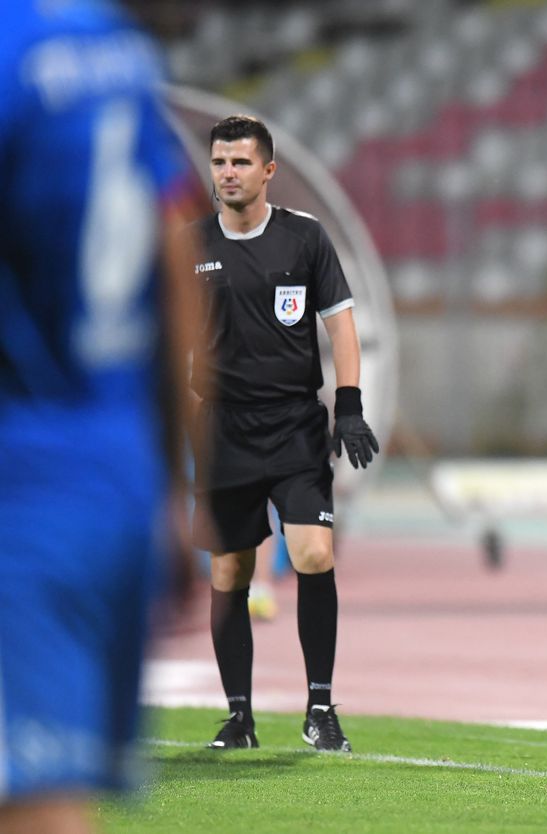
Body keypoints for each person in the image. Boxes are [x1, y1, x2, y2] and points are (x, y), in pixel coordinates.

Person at [0, 2, 201, 831]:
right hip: (110, 471)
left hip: (23, 480)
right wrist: (178, 486)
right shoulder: (118, 55)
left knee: (33, 804)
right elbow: (175, 248)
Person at [192, 115, 379, 753]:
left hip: (295, 425)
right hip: (222, 429)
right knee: (230, 571)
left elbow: (341, 324)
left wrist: (348, 406)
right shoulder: (190, 244)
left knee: (314, 555)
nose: (228, 173)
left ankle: (319, 709)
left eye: (241, 162)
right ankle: (238, 717)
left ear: (268, 170)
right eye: (220, 162)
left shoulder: (305, 237)